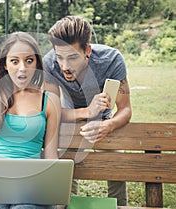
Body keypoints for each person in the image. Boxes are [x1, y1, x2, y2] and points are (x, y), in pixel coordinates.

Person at [43, 16, 132, 206]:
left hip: (104, 119)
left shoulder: (111, 60)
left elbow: (125, 109)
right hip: (68, 118)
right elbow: (52, 110)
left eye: (73, 57)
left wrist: (108, 125)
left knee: (116, 161)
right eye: (60, 57)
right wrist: (87, 111)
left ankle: (119, 205)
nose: (65, 66)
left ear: (87, 51)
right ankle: (64, 204)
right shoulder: (49, 63)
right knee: (65, 163)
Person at [0, 32, 61, 209]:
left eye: (29, 61)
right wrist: (1, 177)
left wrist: (56, 195)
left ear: (37, 63)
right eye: (14, 61)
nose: (22, 68)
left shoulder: (50, 101)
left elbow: (51, 154)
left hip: (33, 187)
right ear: (5, 64)